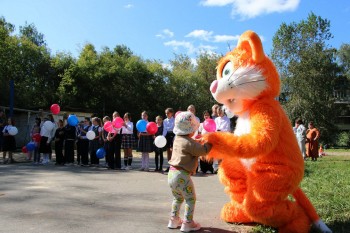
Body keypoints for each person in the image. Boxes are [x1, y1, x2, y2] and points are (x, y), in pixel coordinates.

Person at [167, 111, 212, 232]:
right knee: (190, 199)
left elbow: (189, 146)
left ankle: (173, 220)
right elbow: (202, 150)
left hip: (171, 174)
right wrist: (210, 141)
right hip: (182, 175)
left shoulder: (178, 139)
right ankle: (188, 222)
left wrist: (196, 141)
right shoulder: (189, 143)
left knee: (177, 198)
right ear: (191, 130)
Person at [164, 108, 175, 172]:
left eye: (168, 113)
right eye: (166, 113)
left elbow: (173, 127)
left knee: (172, 150)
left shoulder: (174, 120)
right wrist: (163, 136)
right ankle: (169, 166)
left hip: (173, 135)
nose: (167, 114)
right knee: (168, 151)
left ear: (172, 113)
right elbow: (165, 129)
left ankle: (173, 165)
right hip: (167, 135)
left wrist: (175, 137)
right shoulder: (165, 120)